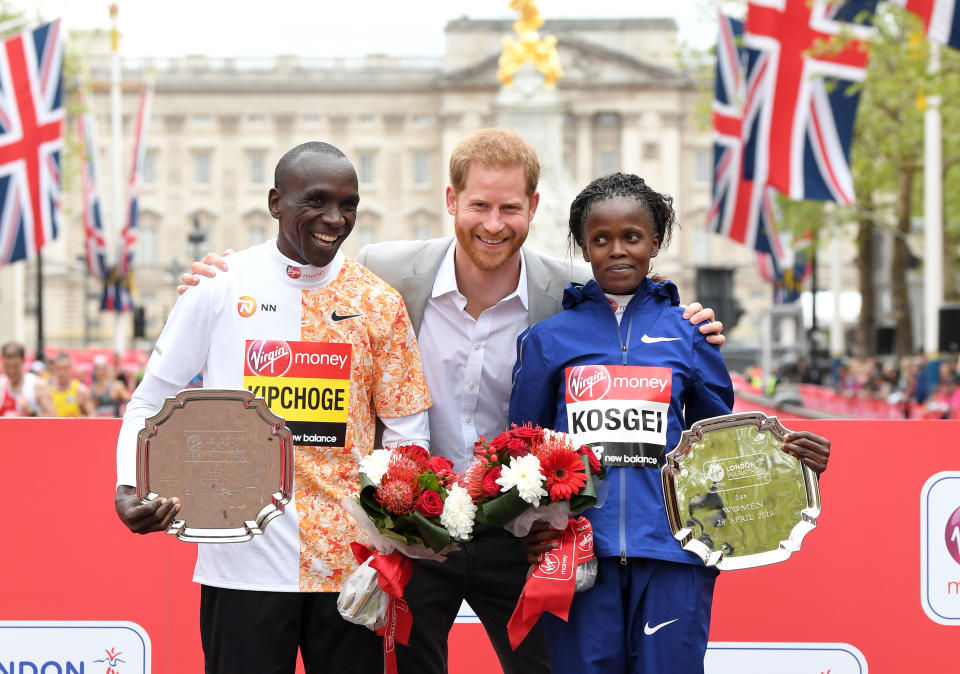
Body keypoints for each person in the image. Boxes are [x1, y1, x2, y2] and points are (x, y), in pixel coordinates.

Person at [180, 129, 727, 674]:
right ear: (451, 201)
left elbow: (640, 314)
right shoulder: (383, 270)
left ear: (533, 207)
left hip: (521, 534)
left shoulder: (571, 288)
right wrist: (222, 276)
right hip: (418, 530)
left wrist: (694, 323)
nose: (493, 224)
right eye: (479, 205)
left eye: (510, 207)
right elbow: (300, 278)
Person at [114, 141, 432, 674]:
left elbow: (407, 434)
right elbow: (152, 398)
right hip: (241, 563)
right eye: (316, 201)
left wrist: (391, 543)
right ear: (275, 202)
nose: (335, 219)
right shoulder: (217, 287)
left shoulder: (379, 302)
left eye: (348, 205)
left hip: (348, 567)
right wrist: (130, 484)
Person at [510, 172, 830, 674]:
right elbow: (521, 452)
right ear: (582, 245)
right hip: (577, 555)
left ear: (655, 241)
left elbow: (724, 446)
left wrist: (795, 462)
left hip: (676, 551)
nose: (618, 251)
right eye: (601, 239)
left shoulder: (690, 334)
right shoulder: (547, 340)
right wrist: (527, 526)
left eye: (632, 237)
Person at [0, 341, 55, 417]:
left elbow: (54, 418)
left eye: (15, 366)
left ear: (23, 361)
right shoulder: (1, 384)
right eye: (7, 366)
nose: (11, 370)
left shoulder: (38, 385)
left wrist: (32, 412)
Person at [50, 352, 95, 417]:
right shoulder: (46, 390)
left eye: (65, 368)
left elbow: (91, 414)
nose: (62, 372)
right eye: (59, 368)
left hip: (73, 426)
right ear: (54, 368)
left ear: (70, 368)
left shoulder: (81, 390)